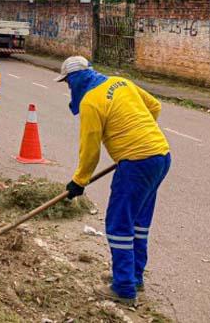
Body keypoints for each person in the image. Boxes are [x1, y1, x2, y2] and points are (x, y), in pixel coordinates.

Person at [56, 56, 171, 306]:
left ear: (74, 80)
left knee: (119, 224)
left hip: (137, 163)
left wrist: (79, 181)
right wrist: (138, 133)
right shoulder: (120, 82)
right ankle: (134, 277)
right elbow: (155, 106)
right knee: (138, 222)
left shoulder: (90, 101)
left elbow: (90, 150)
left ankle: (124, 288)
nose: (68, 88)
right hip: (161, 155)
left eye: (67, 83)